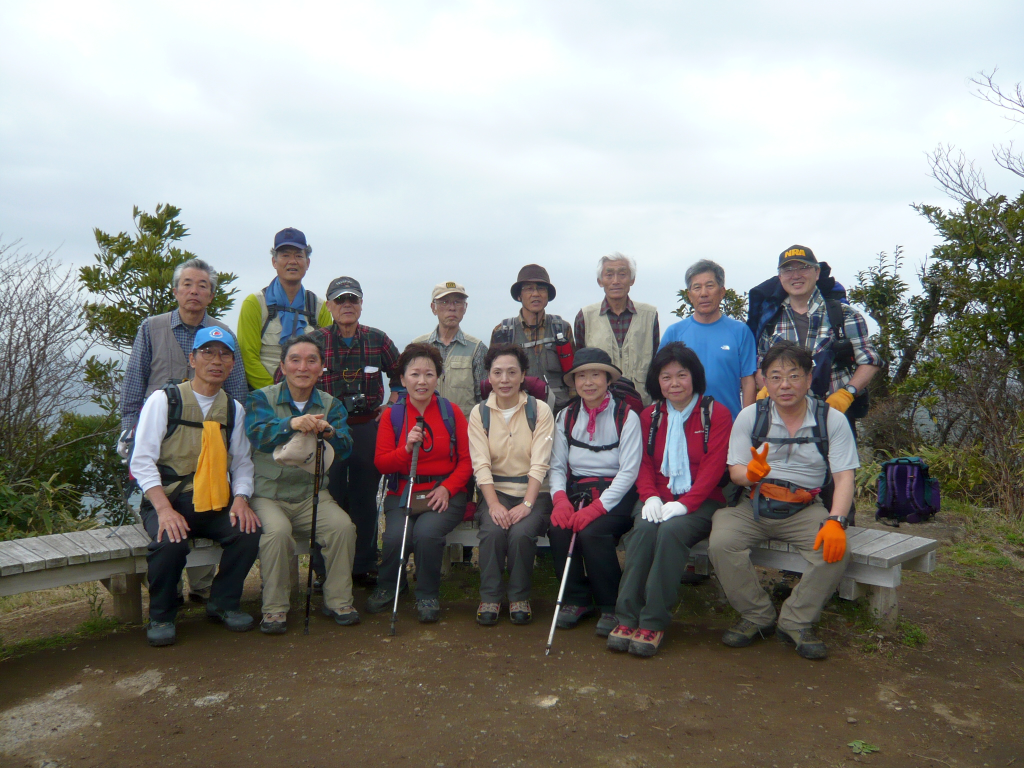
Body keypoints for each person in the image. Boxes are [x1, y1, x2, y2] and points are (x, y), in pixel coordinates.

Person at [708, 341, 857, 660]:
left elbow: (844, 476)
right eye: (775, 377)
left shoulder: (831, 419)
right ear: (763, 380)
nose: (784, 385)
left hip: (804, 507)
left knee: (835, 551)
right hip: (753, 503)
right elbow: (735, 472)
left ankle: (796, 621)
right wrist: (752, 473)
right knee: (722, 542)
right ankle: (756, 614)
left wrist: (836, 520)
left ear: (808, 377)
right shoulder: (750, 417)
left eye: (793, 375)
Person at [119, 258, 246, 604]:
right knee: (167, 516)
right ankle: (168, 594)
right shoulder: (152, 328)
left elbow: (237, 392)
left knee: (207, 500)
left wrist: (232, 433)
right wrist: (130, 440)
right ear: (175, 290)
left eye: (202, 285)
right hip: (160, 442)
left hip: (210, 444)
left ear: (211, 294)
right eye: (187, 284)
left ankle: (203, 591)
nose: (194, 291)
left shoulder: (223, 335)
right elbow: (133, 391)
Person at [130, 327, 261, 647]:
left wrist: (241, 499)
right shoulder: (165, 400)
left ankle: (223, 602)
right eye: (207, 352)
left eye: (224, 355)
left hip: (215, 496)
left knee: (248, 532)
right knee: (170, 540)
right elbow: (141, 461)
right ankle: (161, 614)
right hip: (169, 498)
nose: (216, 361)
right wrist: (162, 509)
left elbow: (242, 463)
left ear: (232, 364)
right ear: (192, 359)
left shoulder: (233, 409)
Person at [608, 343, 731, 657]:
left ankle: (653, 620)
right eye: (666, 377)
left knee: (671, 533)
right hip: (657, 497)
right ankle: (626, 616)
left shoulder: (715, 414)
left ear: (695, 377)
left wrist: (686, 504)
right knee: (643, 533)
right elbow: (643, 463)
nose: (674, 383)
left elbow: (714, 467)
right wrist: (649, 496)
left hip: (701, 501)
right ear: (656, 381)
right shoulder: (650, 415)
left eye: (681, 375)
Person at [754, 246, 881, 524]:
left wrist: (847, 394)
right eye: (788, 270)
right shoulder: (771, 320)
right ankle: (797, 551)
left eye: (803, 267)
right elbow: (760, 364)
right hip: (785, 413)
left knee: (838, 479)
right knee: (793, 478)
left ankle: (840, 537)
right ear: (779, 276)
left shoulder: (844, 315)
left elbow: (869, 360)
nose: (795, 275)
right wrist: (764, 389)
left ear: (816, 271)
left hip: (833, 410)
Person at [244, 333, 357, 634]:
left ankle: (339, 601)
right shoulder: (260, 398)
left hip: (312, 494)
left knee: (342, 527)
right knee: (277, 534)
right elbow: (257, 433)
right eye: (295, 360)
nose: (303, 367)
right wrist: (290, 424)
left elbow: (346, 447)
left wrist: (331, 432)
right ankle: (275, 610)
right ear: (282, 365)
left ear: (322, 368)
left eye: (311, 360)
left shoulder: (331, 404)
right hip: (269, 495)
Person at [370, 343, 473, 622]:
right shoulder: (393, 415)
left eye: (429, 374)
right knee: (394, 537)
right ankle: (391, 585)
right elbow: (381, 463)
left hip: (445, 492)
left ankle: (427, 593)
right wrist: (405, 450)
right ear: (402, 379)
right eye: (414, 374)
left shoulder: (451, 412)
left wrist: (448, 488)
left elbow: (467, 461)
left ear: (437, 377)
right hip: (403, 490)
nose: (422, 381)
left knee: (426, 534)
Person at [314, 276, 402, 587]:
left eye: (353, 299)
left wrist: (390, 405)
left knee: (366, 496)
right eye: (340, 300)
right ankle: (324, 568)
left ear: (361, 304)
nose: (347, 305)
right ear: (329, 306)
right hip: (327, 430)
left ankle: (363, 563)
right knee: (329, 494)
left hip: (367, 427)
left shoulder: (377, 339)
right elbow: (287, 375)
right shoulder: (314, 340)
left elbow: (401, 374)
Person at [548, 348, 641, 636]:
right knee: (559, 528)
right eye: (581, 376)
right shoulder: (565, 416)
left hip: (618, 495)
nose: (588, 382)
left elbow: (629, 471)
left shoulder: (627, 416)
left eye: (595, 375)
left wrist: (599, 508)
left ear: (607, 379)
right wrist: (560, 499)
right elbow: (557, 465)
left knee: (592, 532)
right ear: (574, 381)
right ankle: (576, 600)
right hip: (578, 492)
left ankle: (611, 604)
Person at [468, 343, 555, 626]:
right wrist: (492, 504)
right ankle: (490, 597)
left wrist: (528, 504)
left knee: (521, 533)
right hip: (496, 491)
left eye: (511, 372)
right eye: (497, 373)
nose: (504, 380)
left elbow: (540, 462)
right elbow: (480, 464)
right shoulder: (479, 413)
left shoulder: (539, 410)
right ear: (489, 377)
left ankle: (519, 596)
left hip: (535, 491)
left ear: (523, 376)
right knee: (492, 532)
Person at [237, 227, 332, 391]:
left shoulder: (319, 307)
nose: (292, 261)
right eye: (285, 255)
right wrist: (278, 393)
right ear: (274, 261)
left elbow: (326, 357)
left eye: (298, 255)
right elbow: (248, 358)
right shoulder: (254, 303)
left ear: (307, 262)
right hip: (264, 397)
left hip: (309, 396)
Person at [659, 259, 757, 420]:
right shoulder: (674, 332)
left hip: (729, 424)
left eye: (710, 286)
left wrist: (747, 422)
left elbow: (748, 381)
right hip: (683, 424)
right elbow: (661, 378)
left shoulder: (740, 331)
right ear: (689, 295)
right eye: (697, 287)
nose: (704, 293)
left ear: (722, 291)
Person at [574, 253, 659, 405]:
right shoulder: (585, 316)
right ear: (600, 281)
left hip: (642, 404)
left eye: (622, 274)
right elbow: (580, 364)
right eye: (609, 275)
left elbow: (655, 362)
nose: (616, 281)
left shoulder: (649, 315)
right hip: (599, 404)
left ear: (632, 280)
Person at [491, 264, 576, 410]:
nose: (535, 294)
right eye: (529, 288)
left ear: (548, 295)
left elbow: (575, 374)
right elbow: (493, 378)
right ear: (519, 295)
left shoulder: (562, 328)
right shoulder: (502, 332)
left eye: (541, 288)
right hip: (517, 411)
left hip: (559, 411)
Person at [411, 281, 487, 418]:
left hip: (464, 429)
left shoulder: (476, 348)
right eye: (444, 302)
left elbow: (483, 397)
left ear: (465, 308)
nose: (452, 308)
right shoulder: (417, 346)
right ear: (433, 308)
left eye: (458, 302)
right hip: (424, 427)